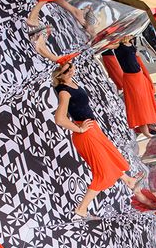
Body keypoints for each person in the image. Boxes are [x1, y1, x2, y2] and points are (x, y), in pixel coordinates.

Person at [34, 35, 140, 220]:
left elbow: (63, 62)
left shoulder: (68, 81)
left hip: (93, 130)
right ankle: (81, 209)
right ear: (64, 73)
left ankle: (128, 181)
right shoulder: (64, 92)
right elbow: (59, 118)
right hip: (85, 134)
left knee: (111, 159)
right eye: (70, 67)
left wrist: (44, 48)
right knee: (104, 173)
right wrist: (80, 129)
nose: (73, 67)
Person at [112, 36, 156, 138]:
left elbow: (136, 58)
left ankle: (151, 123)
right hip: (132, 79)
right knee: (138, 104)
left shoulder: (131, 44)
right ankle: (147, 131)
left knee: (145, 102)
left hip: (139, 77)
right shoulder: (119, 46)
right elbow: (108, 45)